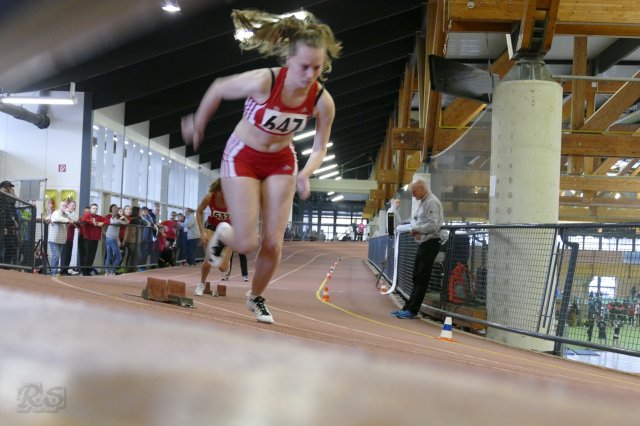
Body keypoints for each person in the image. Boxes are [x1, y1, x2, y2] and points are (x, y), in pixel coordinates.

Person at [181, 9, 341, 323]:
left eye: (317, 67)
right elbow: (218, 87)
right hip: (243, 156)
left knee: (272, 241)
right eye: (304, 66)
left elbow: (320, 146)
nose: (310, 75)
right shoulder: (265, 81)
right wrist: (198, 123)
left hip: (281, 161)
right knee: (246, 243)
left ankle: (256, 296)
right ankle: (224, 233)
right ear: (288, 60)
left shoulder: (323, 101)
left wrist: (306, 173)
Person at [391, 179, 445, 319]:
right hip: (424, 243)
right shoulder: (424, 202)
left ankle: (412, 310)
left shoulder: (431, 202)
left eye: (414, 191)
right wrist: (414, 227)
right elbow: (419, 221)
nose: (413, 195)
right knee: (417, 277)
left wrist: (416, 229)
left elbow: (433, 225)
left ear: (422, 188)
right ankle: (407, 307)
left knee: (421, 278)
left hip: (430, 243)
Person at [193, 179, 246, 297]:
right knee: (209, 259)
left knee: (223, 268)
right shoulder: (210, 197)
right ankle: (201, 284)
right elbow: (199, 211)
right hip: (211, 228)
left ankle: (225, 259)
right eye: (222, 193)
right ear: (217, 190)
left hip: (228, 231)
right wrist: (202, 232)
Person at [48, 200, 76, 275]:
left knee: (58, 256)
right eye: (63, 205)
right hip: (54, 239)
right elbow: (57, 219)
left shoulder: (66, 214)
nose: (64, 207)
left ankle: (55, 272)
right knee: (56, 255)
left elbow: (74, 220)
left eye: (66, 206)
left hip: (62, 239)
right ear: (59, 206)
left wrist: (69, 213)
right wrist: (67, 220)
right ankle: (53, 272)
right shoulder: (56, 213)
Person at [79, 203, 105, 276]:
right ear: (90, 209)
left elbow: (107, 221)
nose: (95, 210)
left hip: (95, 238)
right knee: (87, 255)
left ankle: (88, 270)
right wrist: (92, 222)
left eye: (96, 208)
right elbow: (83, 219)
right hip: (88, 237)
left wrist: (102, 223)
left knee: (92, 255)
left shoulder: (99, 217)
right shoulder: (87, 214)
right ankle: (85, 271)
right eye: (93, 208)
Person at [0, 180, 20, 266]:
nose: (9, 189)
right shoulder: (2, 198)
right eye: (6, 187)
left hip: (9, 228)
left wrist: (17, 224)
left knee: (12, 247)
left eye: (10, 187)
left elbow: (14, 212)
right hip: (2, 227)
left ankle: (6, 266)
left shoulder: (11, 201)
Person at [104, 207, 127, 275]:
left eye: (122, 211)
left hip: (108, 238)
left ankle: (107, 272)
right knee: (119, 257)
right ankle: (112, 272)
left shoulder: (112, 218)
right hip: (112, 239)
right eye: (120, 211)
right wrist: (124, 217)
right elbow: (127, 222)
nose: (121, 213)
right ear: (117, 212)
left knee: (109, 256)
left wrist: (118, 240)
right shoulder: (117, 220)